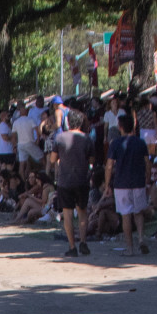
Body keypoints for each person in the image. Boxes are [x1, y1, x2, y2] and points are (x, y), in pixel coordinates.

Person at [47, 109, 93, 256]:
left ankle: (72, 246)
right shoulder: (87, 139)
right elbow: (91, 160)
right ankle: (83, 242)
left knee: (67, 214)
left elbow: (53, 159)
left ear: (67, 122)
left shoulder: (60, 138)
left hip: (64, 180)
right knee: (82, 212)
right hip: (82, 179)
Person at [106, 110, 150, 255]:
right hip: (138, 181)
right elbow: (147, 163)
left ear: (120, 127)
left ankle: (130, 248)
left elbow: (109, 165)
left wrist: (107, 184)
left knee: (126, 215)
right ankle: (142, 239)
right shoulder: (141, 142)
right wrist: (148, 179)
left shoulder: (115, 143)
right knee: (138, 213)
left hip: (121, 183)